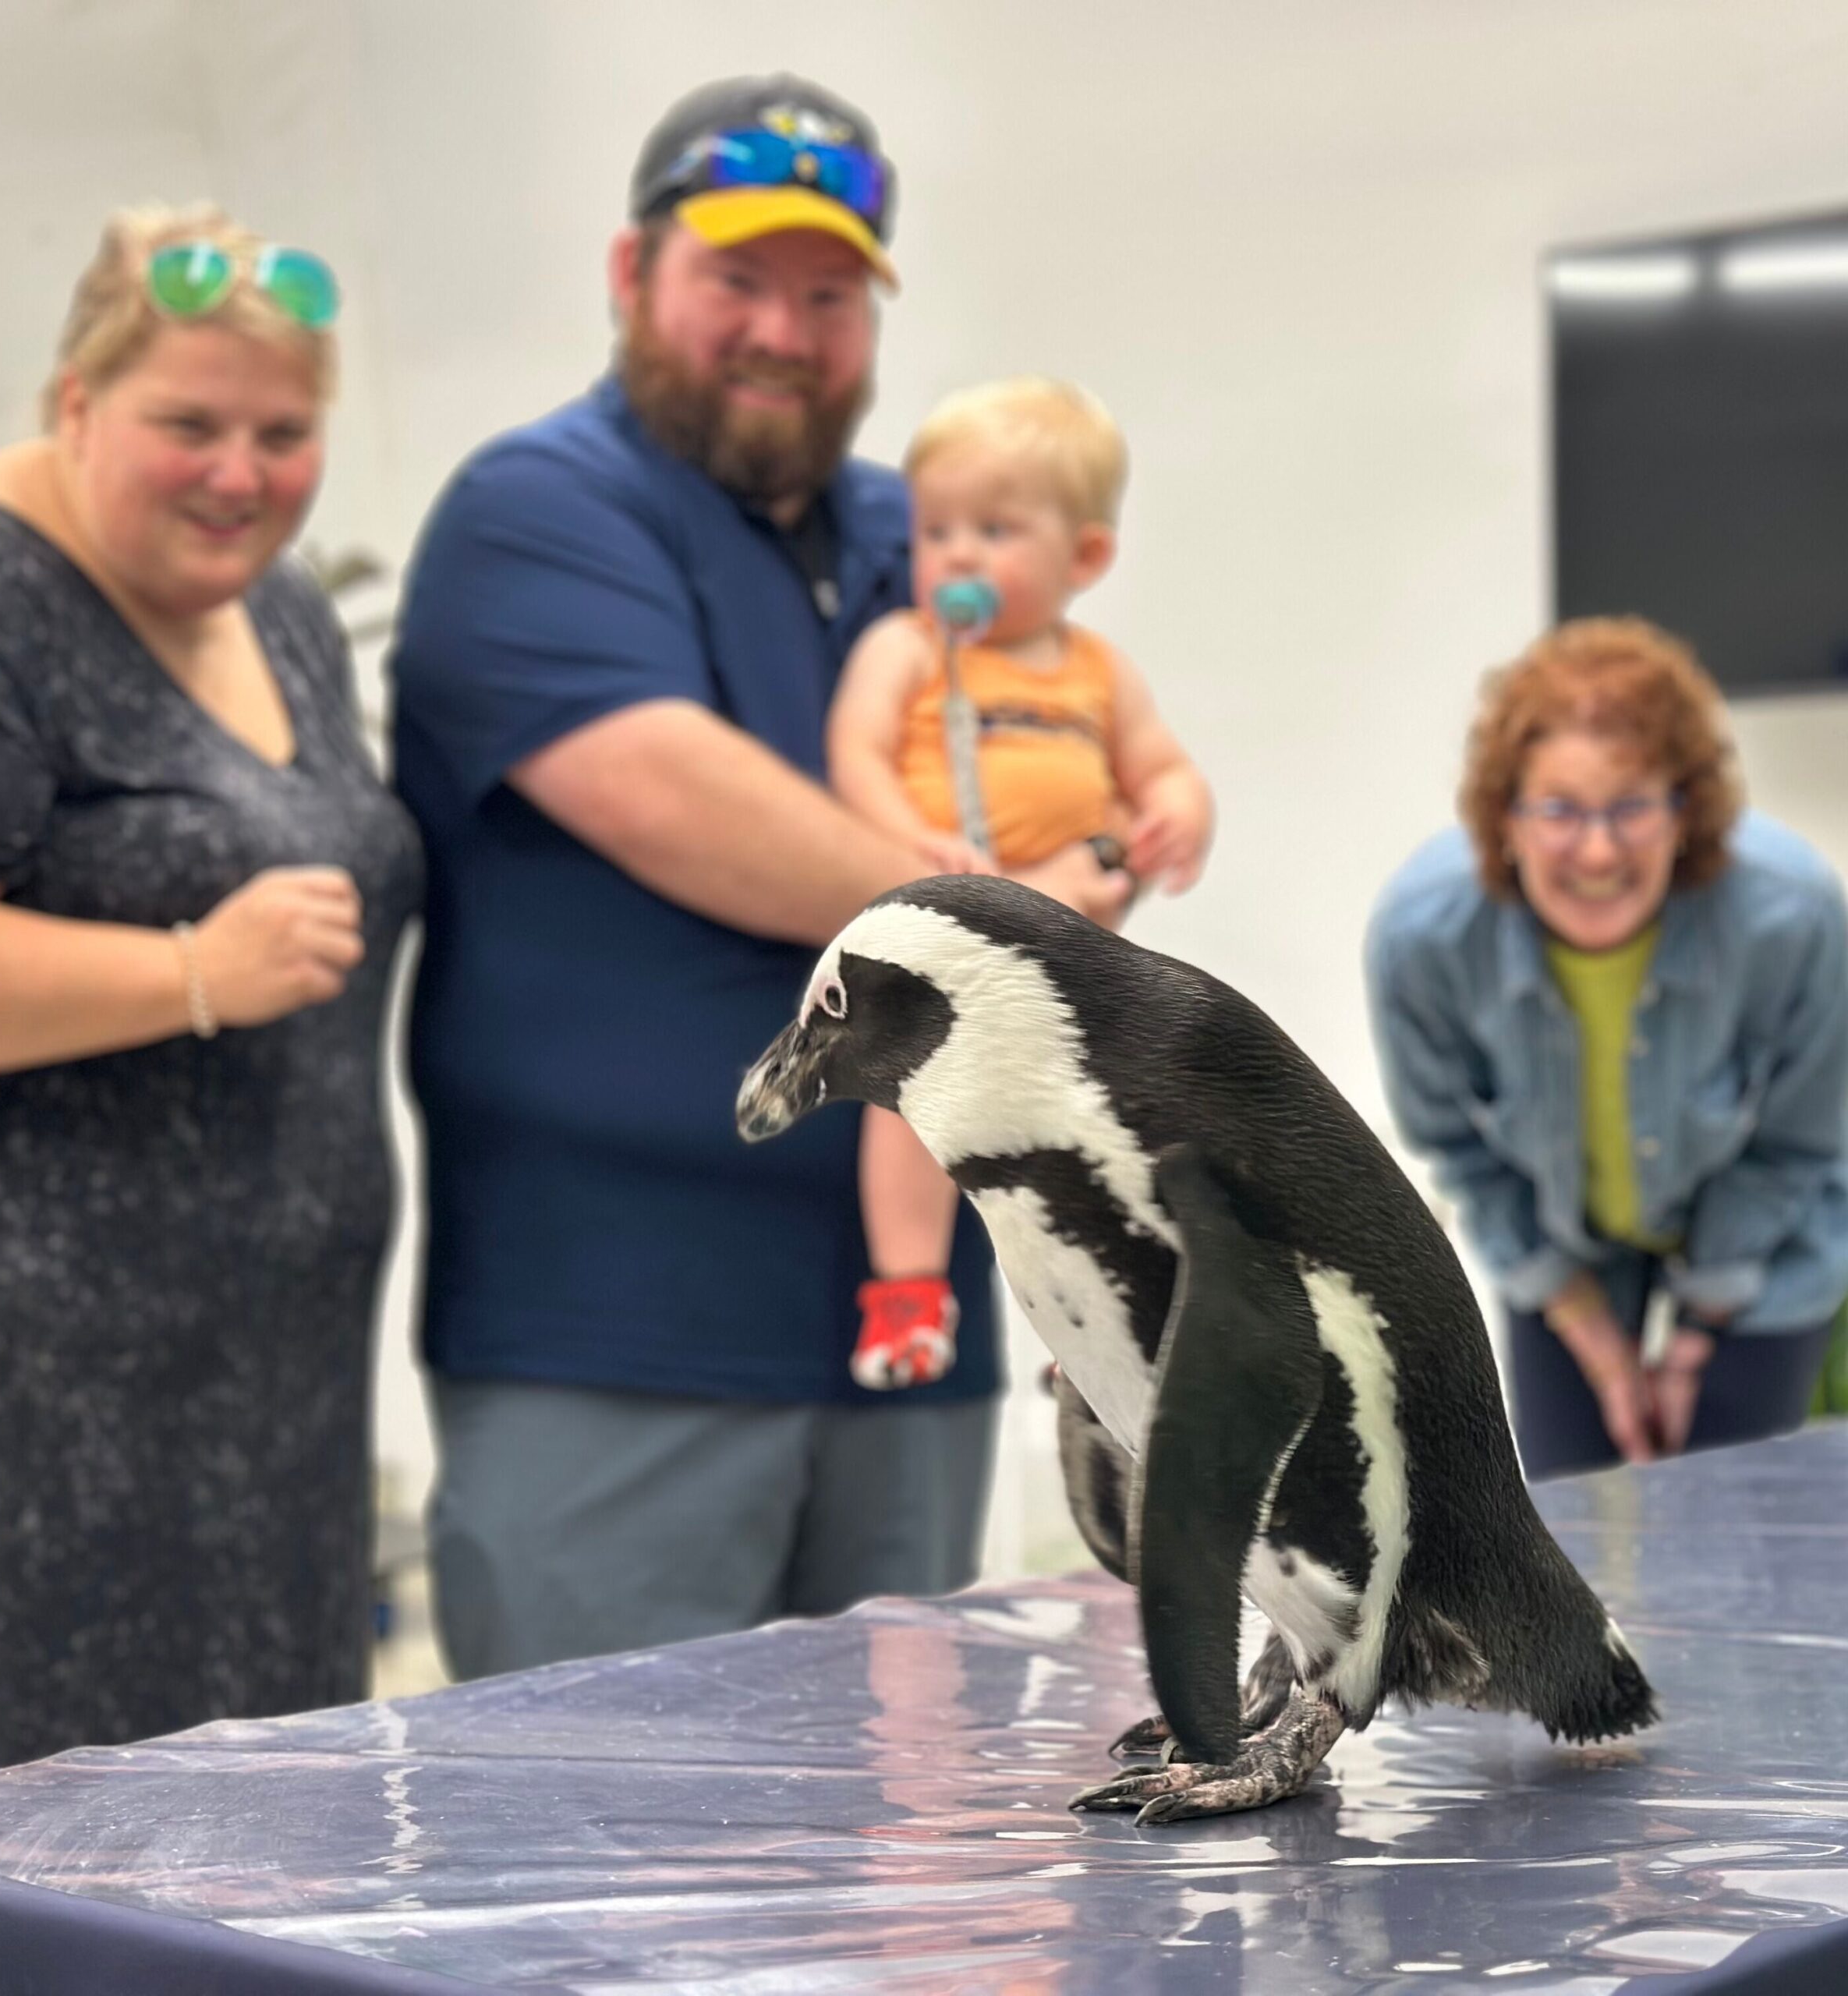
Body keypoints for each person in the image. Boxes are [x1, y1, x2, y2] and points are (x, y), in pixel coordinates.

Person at [389, 75, 1132, 1679]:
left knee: (893, 1874)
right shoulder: (534, 512)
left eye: (827, 294)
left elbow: (1076, 749)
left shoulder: (920, 532)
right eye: (735, 279)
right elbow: (678, 803)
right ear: (627, 275)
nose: (782, 332)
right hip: (617, 1337)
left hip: (911, 1325)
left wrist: (1125, 836)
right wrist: (1021, 918)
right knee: (594, 1869)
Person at [0, 205, 423, 1796]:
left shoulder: (283, 607)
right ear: (74, 401)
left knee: (256, 1842)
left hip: (262, 1398)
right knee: (35, 1869)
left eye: (281, 431)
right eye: (188, 423)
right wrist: (188, 973)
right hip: (13, 1417)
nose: (238, 473)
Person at [1367, 617, 1847, 1480]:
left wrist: (1696, 1337)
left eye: (1630, 806)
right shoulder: (1422, 940)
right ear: (1503, 816)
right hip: (1561, 1236)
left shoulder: (1796, 919)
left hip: (1763, 1237)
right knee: (1569, 1510)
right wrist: (1595, 1340)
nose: (1596, 849)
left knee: (1731, 1512)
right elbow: (1460, 1150)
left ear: (1684, 810)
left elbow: (1795, 1144)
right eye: (1558, 809)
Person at [826, 377, 1214, 1388]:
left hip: (1068, 963)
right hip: (943, 943)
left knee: (1084, 1134)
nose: (955, 554)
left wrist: (1182, 808)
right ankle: (907, 1289)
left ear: (1083, 555)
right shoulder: (905, 649)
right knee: (907, 1105)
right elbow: (857, 755)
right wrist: (911, 836)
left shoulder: (1098, 673)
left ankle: (1098, 1322)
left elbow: (1159, 766)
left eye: (993, 530)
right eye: (936, 531)